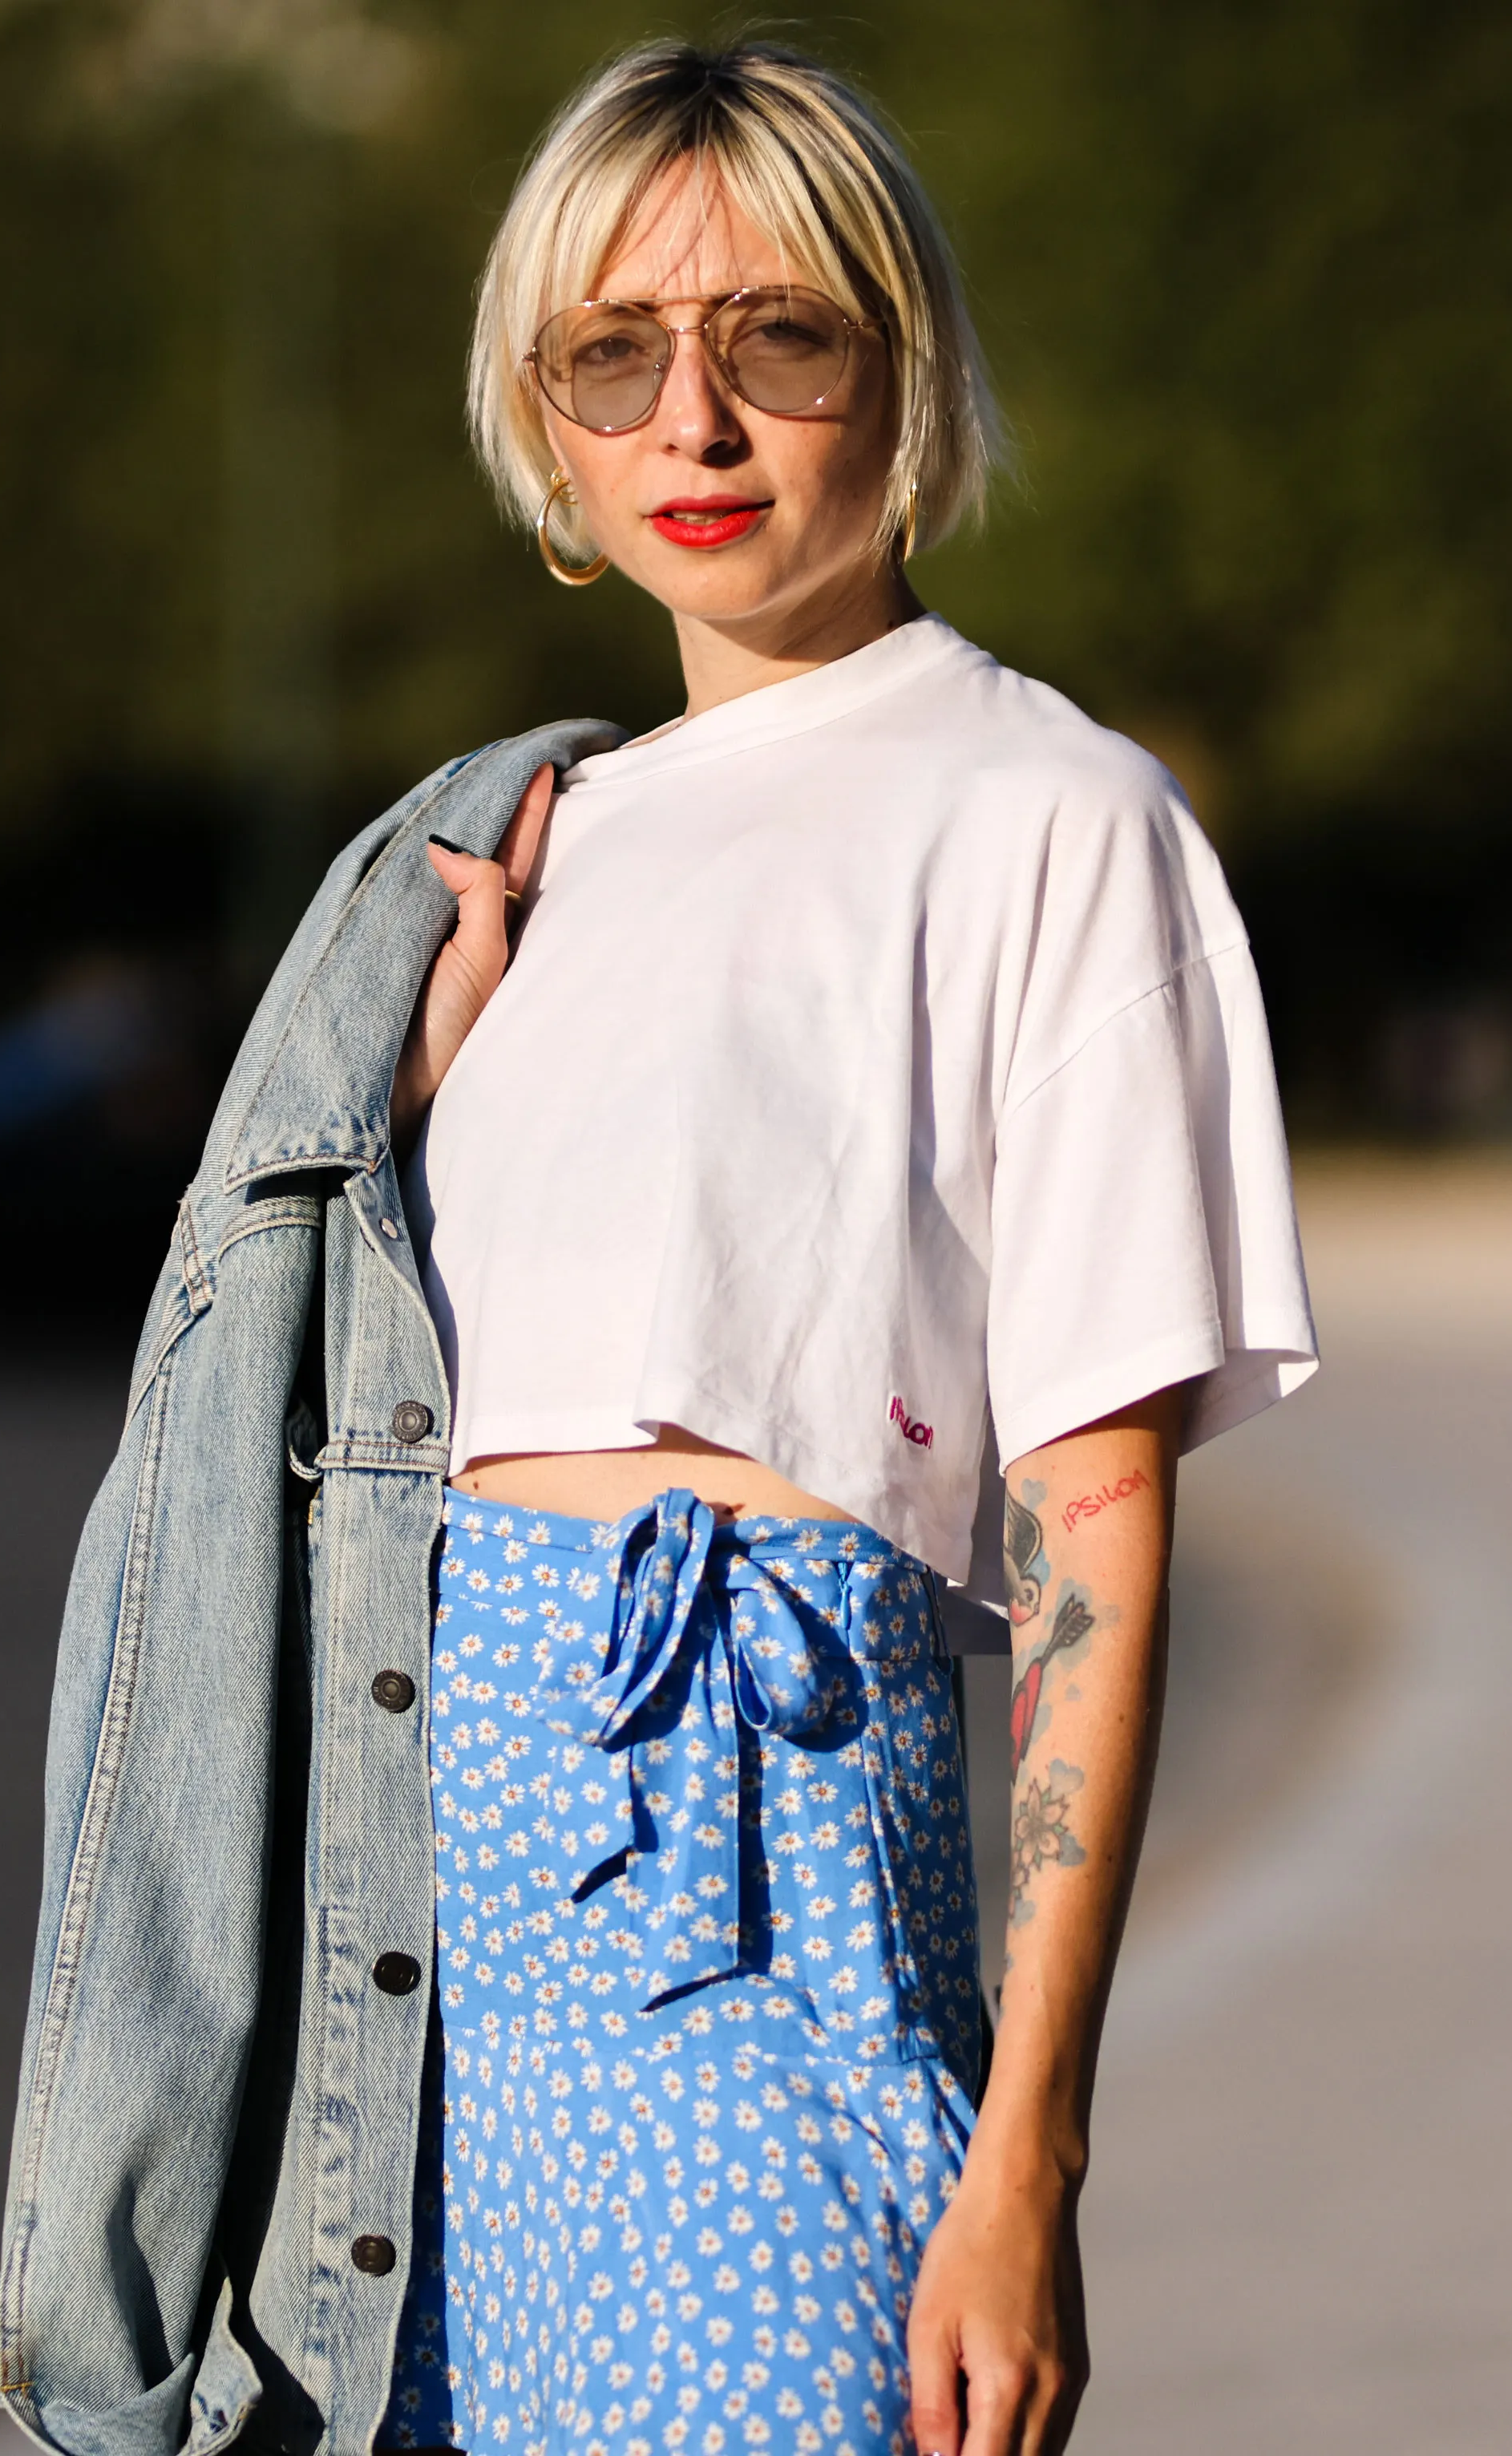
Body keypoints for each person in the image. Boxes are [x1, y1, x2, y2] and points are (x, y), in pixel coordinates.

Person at [366, 42, 1318, 2456]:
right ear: (544, 425)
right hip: (428, 2044)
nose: (694, 415)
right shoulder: (524, 860)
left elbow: (1094, 1534)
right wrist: (431, 1095)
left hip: (781, 1966)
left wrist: (1030, 2156)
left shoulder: (1049, 821)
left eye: (777, 336)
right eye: (614, 354)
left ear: (904, 377)